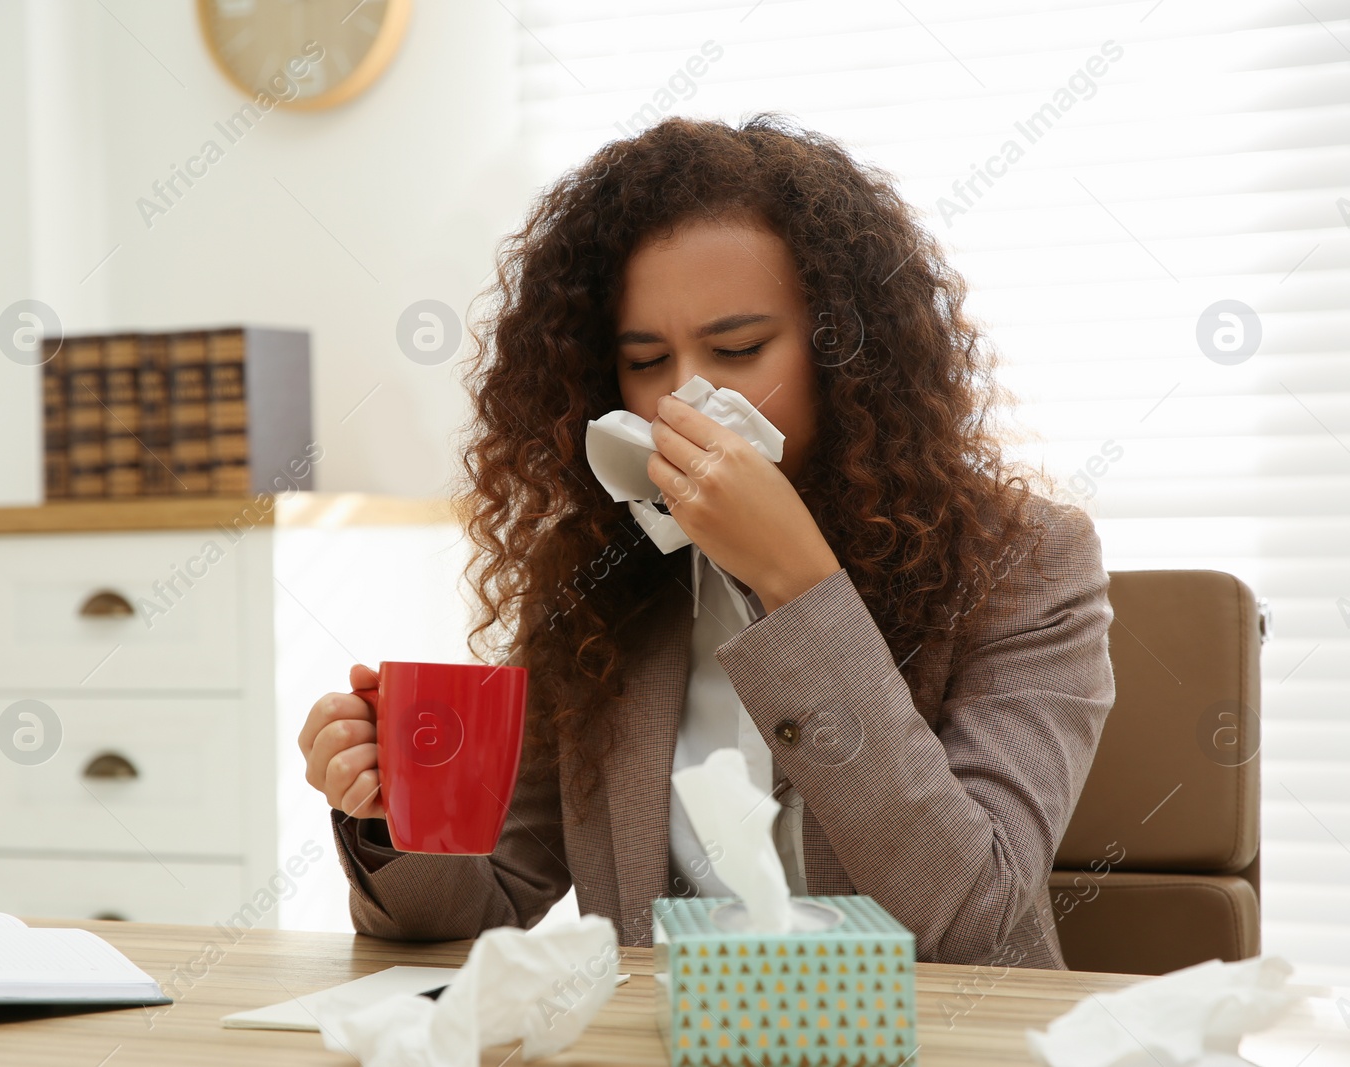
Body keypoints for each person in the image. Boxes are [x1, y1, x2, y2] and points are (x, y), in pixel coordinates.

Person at [298, 113, 1115, 968]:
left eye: (736, 347)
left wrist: (798, 584)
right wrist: (394, 811)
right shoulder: (601, 578)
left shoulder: (1027, 561)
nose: (682, 402)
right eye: (646, 361)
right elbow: (487, 900)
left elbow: (973, 921)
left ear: (846, 350)